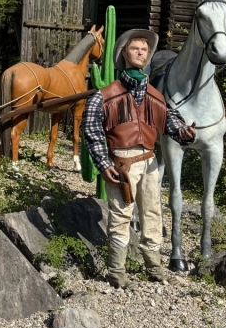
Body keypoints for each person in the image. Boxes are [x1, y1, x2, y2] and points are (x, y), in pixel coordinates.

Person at [82, 29, 196, 289]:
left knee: (153, 213)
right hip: (122, 162)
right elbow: (92, 130)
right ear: (124, 53)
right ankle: (117, 272)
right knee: (122, 215)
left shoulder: (156, 96)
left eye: (145, 49)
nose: (141, 52)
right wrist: (103, 163)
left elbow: (172, 122)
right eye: (135, 48)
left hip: (150, 162)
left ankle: (154, 267)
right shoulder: (104, 95)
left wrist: (185, 133)